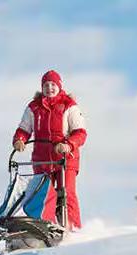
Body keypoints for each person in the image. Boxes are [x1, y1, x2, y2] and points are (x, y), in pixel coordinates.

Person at [12, 70, 87, 229]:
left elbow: (80, 132)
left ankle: (72, 228)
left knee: (66, 192)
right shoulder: (34, 107)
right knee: (42, 194)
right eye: (46, 85)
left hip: (65, 158)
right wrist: (19, 140)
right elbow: (24, 129)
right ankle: (44, 225)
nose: (50, 88)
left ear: (59, 86)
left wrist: (68, 144)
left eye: (53, 85)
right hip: (42, 159)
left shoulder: (68, 105)